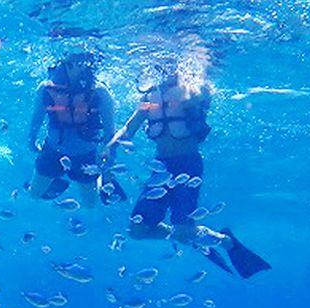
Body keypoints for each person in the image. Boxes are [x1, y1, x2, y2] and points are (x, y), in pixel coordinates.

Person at [105, 69, 270, 278]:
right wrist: (110, 146)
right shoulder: (149, 97)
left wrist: (193, 82)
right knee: (137, 230)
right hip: (160, 167)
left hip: (188, 165)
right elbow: (129, 127)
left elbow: (204, 94)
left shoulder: (191, 89)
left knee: (183, 231)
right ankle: (193, 236)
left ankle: (226, 242)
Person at [27, 52, 118, 206]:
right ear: (64, 61)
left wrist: (108, 159)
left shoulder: (100, 92)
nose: (79, 63)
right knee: (34, 194)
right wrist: (31, 139)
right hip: (53, 150)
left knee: (90, 204)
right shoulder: (46, 88)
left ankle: (98, 180)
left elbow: (110, 130)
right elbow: (37, 116)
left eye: (83, 60)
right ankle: (59, 181)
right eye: (74, 59)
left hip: (86, 154)